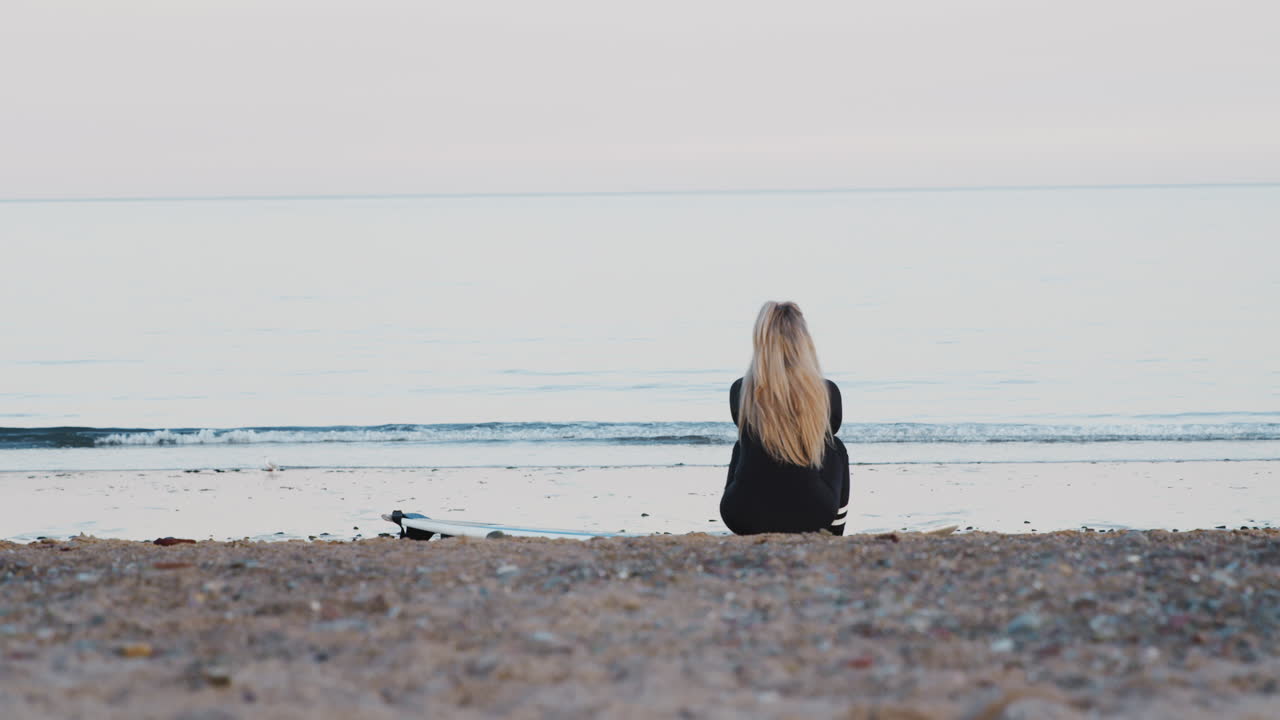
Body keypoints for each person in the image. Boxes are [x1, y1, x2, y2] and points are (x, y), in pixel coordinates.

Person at [720, 301, 850, 535]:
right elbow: (832, 428)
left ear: (760, 342)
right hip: (812, 514)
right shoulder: (826, 392)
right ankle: (834, 534)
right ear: (804, 342)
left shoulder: (741, 391)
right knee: (834, 446)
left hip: (743, 515)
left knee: (743, 445)